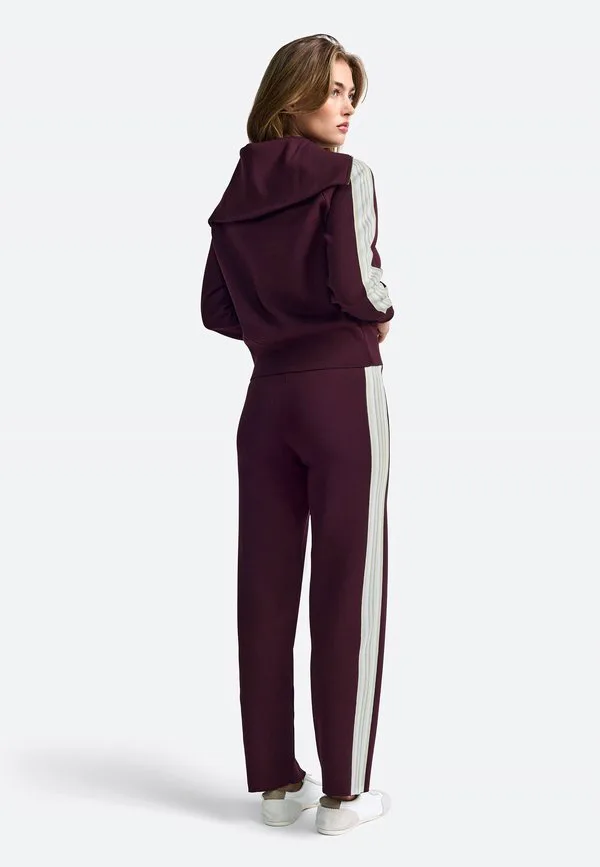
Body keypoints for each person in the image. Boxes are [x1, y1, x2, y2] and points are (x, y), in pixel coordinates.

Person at [200, 33, 394, 836]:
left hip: (266, 401)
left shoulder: (235, 191)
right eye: (335, 90)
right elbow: (358, 285)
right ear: (293, 96)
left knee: (265, 587)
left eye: (352, 93)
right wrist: (382, 311)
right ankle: (344, 795)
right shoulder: (347, 176)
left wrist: (274, 327)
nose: (347, 108)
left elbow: (215, 309)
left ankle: (277, 785)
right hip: (341, 391)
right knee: (351, 583)